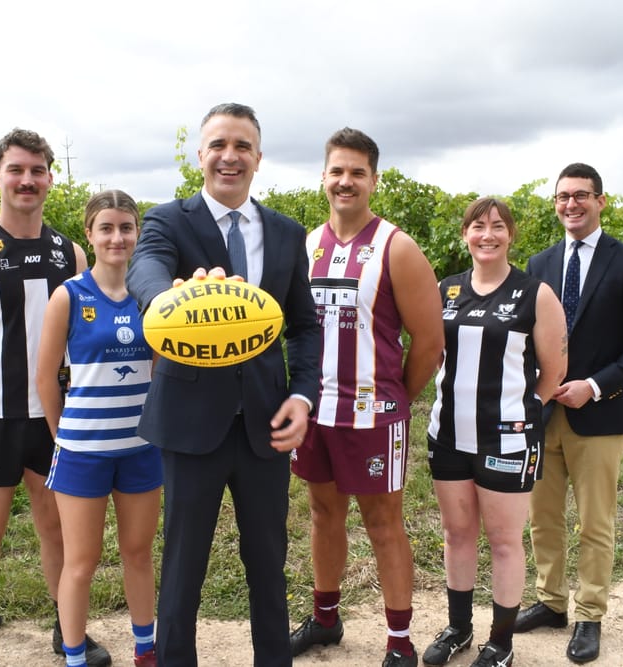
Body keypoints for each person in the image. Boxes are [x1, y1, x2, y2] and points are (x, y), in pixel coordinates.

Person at [126, 102, 321, 667]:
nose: (229, 156)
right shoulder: (168, 220)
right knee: (183, 568)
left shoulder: (286, 233)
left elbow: (304, 328)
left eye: (241, 146)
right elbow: (146, 268)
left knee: (268, 564)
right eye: (218, 144)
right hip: (190, 425)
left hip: (267, 424)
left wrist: (302, 397)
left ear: (258, 158)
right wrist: (171, 300)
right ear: (200, 155)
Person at [0, 129, 110, 667]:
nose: (27, 180)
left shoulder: (70, 252)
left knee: (56, 527)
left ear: (51, 178)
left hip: (55, 418)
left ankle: (67, 631)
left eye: (37, 170)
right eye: (16, 170)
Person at [289, 128, 444, 667]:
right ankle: (326, 619)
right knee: (321, 512)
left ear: (373, 180)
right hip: (316, 413)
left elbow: (429, 342)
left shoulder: (396, 247)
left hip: (374, 415)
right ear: (324, 178)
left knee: (383, 523)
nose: (345, 181)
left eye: (357, 172)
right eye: (337, 171)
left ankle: (399, 641)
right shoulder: (305, 245)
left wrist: (394, 396)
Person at [516, 163, 623, 664]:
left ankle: (589, 615)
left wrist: (595, 386)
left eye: (581, 195)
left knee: (595, 523)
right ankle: (551, 602)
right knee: (543, 517)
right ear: (555, 203)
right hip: (543, 415)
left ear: (601, 201)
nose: (571, 204)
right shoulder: (538, 264)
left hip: (600, 414)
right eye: (562, 196)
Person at [420, 198, 567, 667]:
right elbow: (436, 357)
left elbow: (554, 371)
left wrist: (520, 415)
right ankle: (459, 630)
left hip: (507, 440)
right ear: (465, 234)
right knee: (456, 534)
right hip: (448, 435)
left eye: (498, 226)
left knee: (504, 541)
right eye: (478, 226)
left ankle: (500, 643)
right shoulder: (444, 291)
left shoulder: (535, 293)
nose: (488, 234)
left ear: (511, 234)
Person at [36, 191, 160, 667]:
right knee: (81, 562)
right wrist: (62, 435)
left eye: (126, 227)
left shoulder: (152, 298)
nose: (117, 237)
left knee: (138, 553)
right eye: (106, 228)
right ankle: (74, 657)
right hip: (82, 451)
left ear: (137, 234)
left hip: (141, 448)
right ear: (88, 234)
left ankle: (145, 652)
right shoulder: (68, 295)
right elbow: (46, 378)